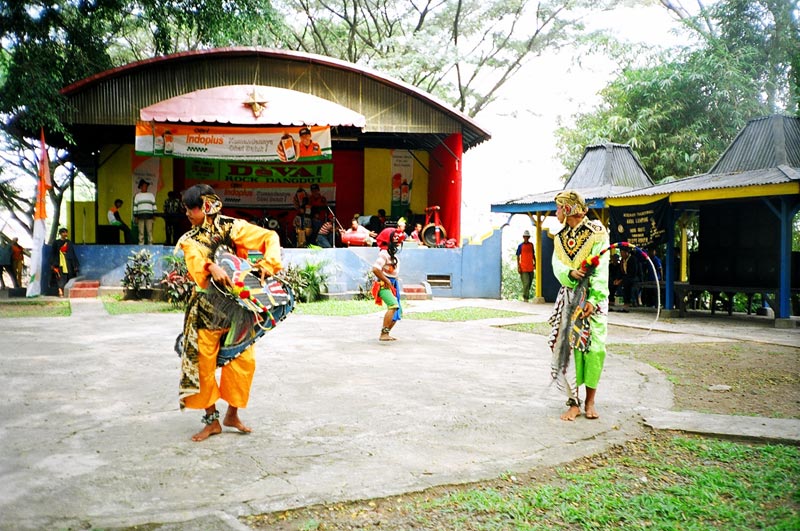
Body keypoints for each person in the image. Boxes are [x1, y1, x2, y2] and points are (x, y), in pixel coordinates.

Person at [175, 183, 283, 442]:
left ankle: (232, 414)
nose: (187, 213)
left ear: (206, 206)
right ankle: (211, 421)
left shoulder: (233, 227)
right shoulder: (188, 240)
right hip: (206, 311)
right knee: (204, 366)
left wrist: (268, 263)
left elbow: (270, 237)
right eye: (186, 208)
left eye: (192, 208)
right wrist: (210, 266)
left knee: (244, 363)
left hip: (238, 310)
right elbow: (195, 263)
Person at [547, 190, 609, 421]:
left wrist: (594, 299)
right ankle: (573, 402)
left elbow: (601, 266)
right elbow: (557, 264)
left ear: (569, 208)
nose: (556, 212)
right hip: (569, 298)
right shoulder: (560, 237)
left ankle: (591, 400)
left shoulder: (597, 232)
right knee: (565, 348)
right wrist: (569, 272)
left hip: (593, 297)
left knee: (594, 349)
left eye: (559, 208)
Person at [372, 227, 402, 341]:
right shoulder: (384, 253)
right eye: (394, 236)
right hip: (384, 284)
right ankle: (383, 334)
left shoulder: (391, 253)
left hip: (393, 284)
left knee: (397, 311)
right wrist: (387, 281)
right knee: (393, 305)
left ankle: (386, 333)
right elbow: (375, 269)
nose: (397, 238)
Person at [50, 228, 79, 297]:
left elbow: (72, 253)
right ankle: (60, 291)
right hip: (59, 263)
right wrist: (52, 264)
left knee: (69, 277)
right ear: (60, 234)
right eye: (63, 232)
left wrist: (75, 265)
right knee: (60, 277)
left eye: (66, 232)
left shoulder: (69, 242)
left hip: (68, 263)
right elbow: (53, 253)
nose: (65, 234)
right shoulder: (56, 243)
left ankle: (68, 292)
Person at [133, 179, 157, 245]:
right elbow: (135, 206)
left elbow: (154, 205)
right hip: (140, 215)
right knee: (141, 231)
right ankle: (141, 244)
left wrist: (154, 214)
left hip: (149, 215)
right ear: (140, 187)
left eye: (146, 186)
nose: (145, 187)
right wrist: (136, 216)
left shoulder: (151, 195)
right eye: (144, 186)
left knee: (149, 230)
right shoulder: (137, 196)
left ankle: (150, 243)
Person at [618, 246, 640, 312]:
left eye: (622, 253)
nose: (621, 255)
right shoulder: (622, 261)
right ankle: (626, 303)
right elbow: (621, 272)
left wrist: (622, 280)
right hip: (626, 278)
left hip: (634, 278)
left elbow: (633, 272)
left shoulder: (633, 259)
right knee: (620, 284)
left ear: (627, 253)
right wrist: (618, 279)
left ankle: (632, 302)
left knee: (628, 285)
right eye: (621, 253)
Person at [516, 230, 535, 302]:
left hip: (530, 267)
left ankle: (526, 295)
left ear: (529, 237)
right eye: (525, 237)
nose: (526, 238)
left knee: (530, 282)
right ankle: (525, 298)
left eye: (527, 237)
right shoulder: (520, 246)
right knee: (526, 283)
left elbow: (533, 254)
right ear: (523, 237)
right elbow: (518, 256)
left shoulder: (531, 245)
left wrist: (535, 263)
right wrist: (518, 266)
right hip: (523, 267)